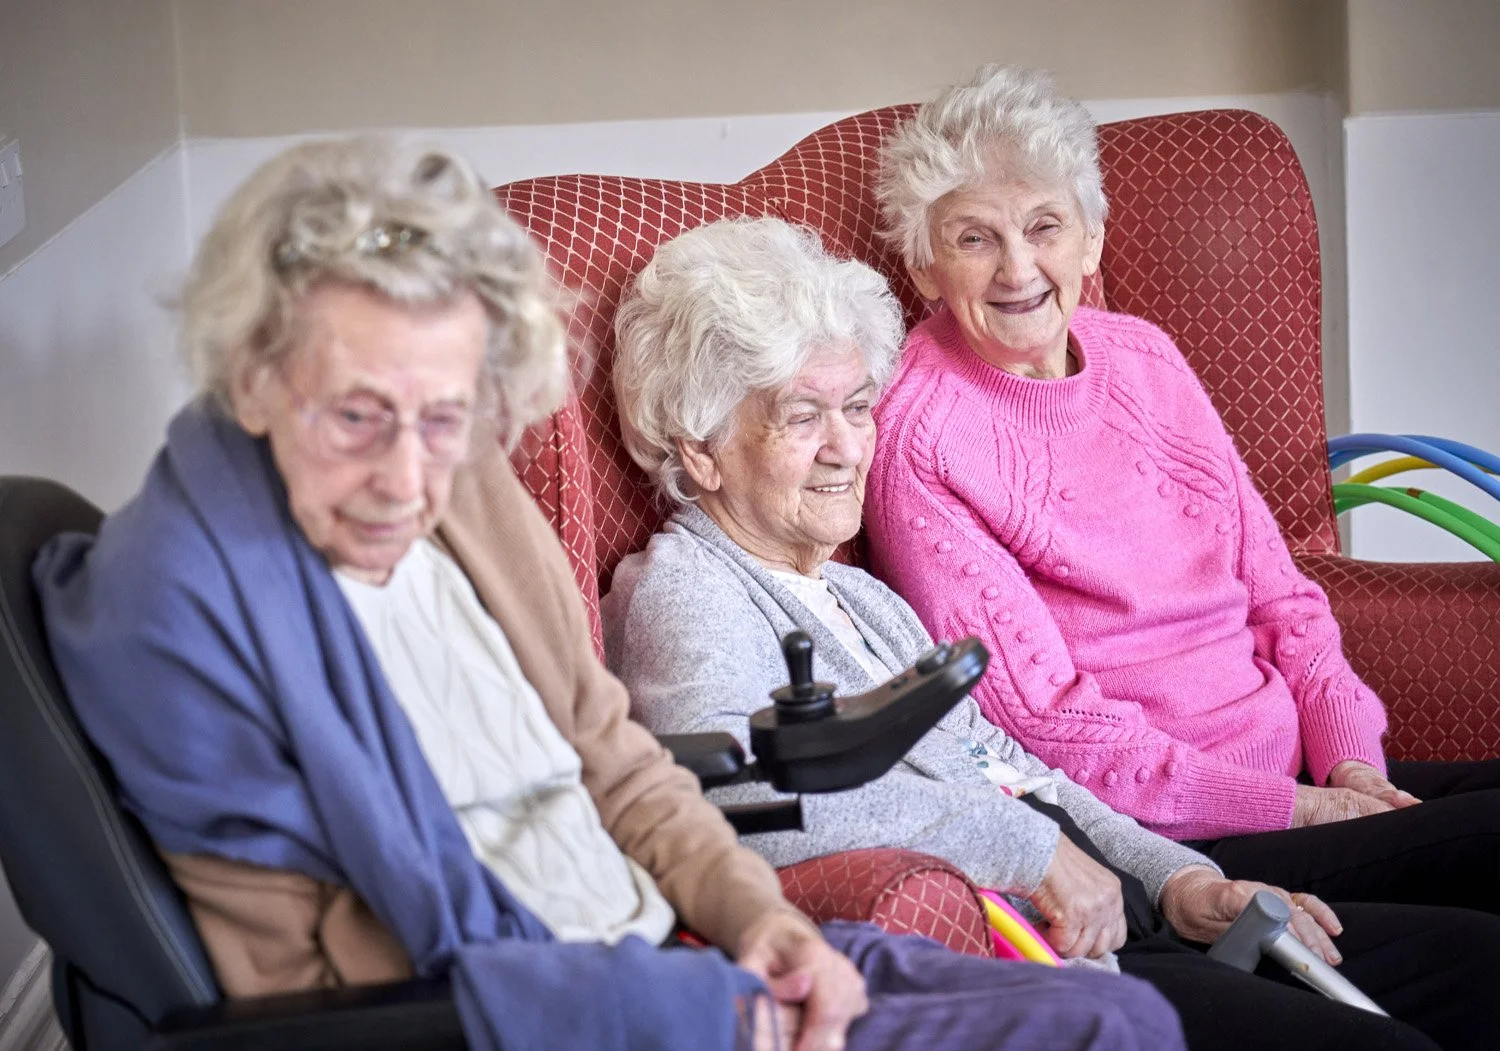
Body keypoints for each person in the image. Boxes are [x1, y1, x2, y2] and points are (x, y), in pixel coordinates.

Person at [32, 135, 1185, 1051]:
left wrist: (761, 923)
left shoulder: (463, 481)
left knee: (1118, 1015)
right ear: (253, 371)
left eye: (444, 418)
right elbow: (329, 982)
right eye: (354, 417)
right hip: (555, 1009)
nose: (404, 478)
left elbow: (615, 753)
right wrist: (712, 1014)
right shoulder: (179, 613)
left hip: (669, 949)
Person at [603, 214, 1500, 1051]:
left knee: (1476, 964)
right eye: (802, 416)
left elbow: (1013, 764)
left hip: (1121, 913)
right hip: (1035, 965)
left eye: (858, 406)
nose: (847, 446)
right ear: (699, 447)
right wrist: (1029, 850)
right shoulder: (686, 592)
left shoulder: (855, 594)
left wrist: (1179, 879)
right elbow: (732, 802)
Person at [866, 62, 1500, 950]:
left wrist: (1352, 756)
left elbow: (1284, 595)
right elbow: (1044, 727)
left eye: (1045, 226)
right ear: (925, 265)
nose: (1019, 267)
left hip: (1308, 772)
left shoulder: (1146, 358)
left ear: (1090, 239)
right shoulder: (920, 435)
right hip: (1187, 838)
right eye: (975, 238)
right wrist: (1306, 809)